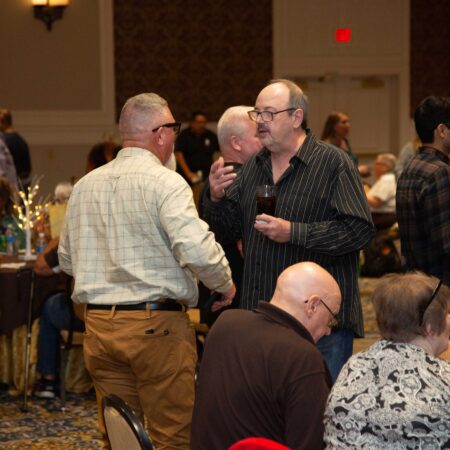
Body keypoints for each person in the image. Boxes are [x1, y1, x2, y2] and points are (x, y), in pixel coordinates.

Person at [58, 92, 235, 449]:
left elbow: (67, 260)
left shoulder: (85, 186)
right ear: (160, 134)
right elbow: (196, 248)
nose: (174, 135)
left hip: (100, 328)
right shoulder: (167, 183)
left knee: (121, 436)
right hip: (156, 329)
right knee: (174, 437)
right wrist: (225, 284)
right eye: (173, 127)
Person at [203, 79, 374, 381]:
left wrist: (294, 232)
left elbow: (358, 230)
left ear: (296, 118)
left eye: (269, 114)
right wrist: (215, 198)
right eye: (257, 114)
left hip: (321, 326)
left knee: (320, 417)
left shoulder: (333, 163)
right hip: (264, 319)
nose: (260, 123)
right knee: (268, 418)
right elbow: (227, 231)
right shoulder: (254, 166)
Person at [191, 262, 342, 450]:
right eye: (331, 317)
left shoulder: (226, 323)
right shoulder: (302, 356)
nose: (328, 330)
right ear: (312, 305)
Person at [324, 272, 450, 449]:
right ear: (429, 327)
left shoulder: (353, 366)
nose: (449, 319)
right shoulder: (443, 378)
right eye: (446, 314)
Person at [199, 105, 261, 320]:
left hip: (225, 291)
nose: (265, 140)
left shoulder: (216, 178)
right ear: (236, 142)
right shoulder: (234, 180)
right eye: (258, 134)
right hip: (239, 295)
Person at [396, 96, 450, 286]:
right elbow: (445, 243)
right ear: (442, 130)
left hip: (415, 281)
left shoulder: (411, 166)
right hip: (439, 285)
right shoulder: (439, 171)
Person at [175, 111, 219, 185]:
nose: (202, 125)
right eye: (199, 122)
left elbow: (221, 151)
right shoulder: (184, 135)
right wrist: (188, 173)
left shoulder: (211, 135)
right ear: (192, 123)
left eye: (204, 122)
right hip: (187, 176)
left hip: (207, 176)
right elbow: (178, 154)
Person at [321, 111, 370, 178]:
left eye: (348, 122)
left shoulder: (345, 141)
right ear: (334, 126)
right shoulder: (326, 146)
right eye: (343, 122)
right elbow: (330, 171)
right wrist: (357, 170)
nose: (348, 125)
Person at [366, 153, 397, 230]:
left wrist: (362, 192)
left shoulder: (387, 180)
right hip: (378, 215)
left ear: (385, 167)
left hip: (382, 217)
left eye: (377, 164)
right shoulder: (385, 179)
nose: (374, 167)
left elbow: (376, 203)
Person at [0, 109, 31, 187]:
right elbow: (28, 168)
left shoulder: (3, 142)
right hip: (24, 184)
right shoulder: (21, 141)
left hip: (10, 185)